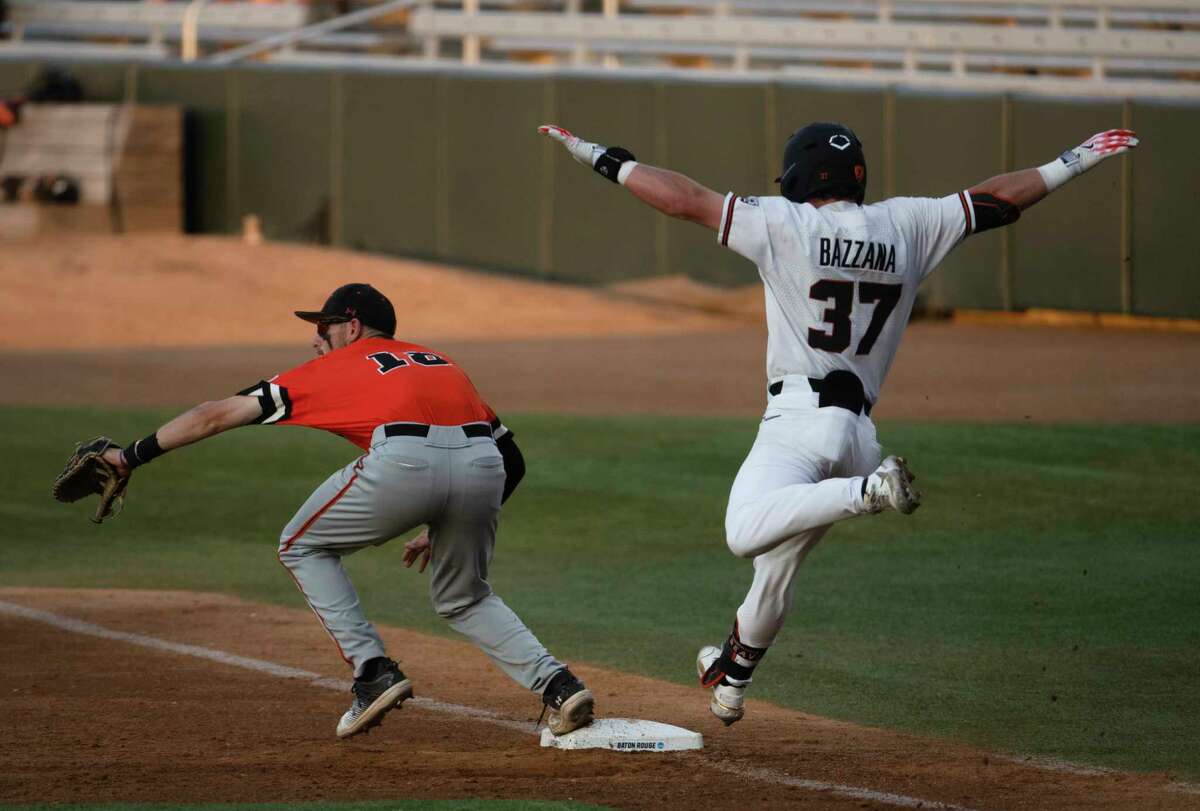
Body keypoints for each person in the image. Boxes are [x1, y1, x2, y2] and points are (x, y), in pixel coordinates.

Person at [539, 121, 1137, 725]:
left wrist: (604, 160)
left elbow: (685, 199)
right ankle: (731, 678)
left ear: (799, 174)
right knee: (776, 567)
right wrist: (1073, 161)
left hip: (800, 420)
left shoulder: (784, 222)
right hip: (858, 434)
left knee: (744, 533)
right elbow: (997, 200)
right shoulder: (909, 224)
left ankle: (868, 491)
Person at [101, 283, 595, 739]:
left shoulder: (333, 366)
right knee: (464, 597)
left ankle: (372, 672)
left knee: (302, 545)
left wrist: (128, 456)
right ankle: (560, 686)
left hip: (404, 462)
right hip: (484, 467)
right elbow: (512, 460)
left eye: (324, 328)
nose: (317, 340)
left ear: (352, 327)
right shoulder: (440, 361)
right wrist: (445, 519)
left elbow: (215, 414)